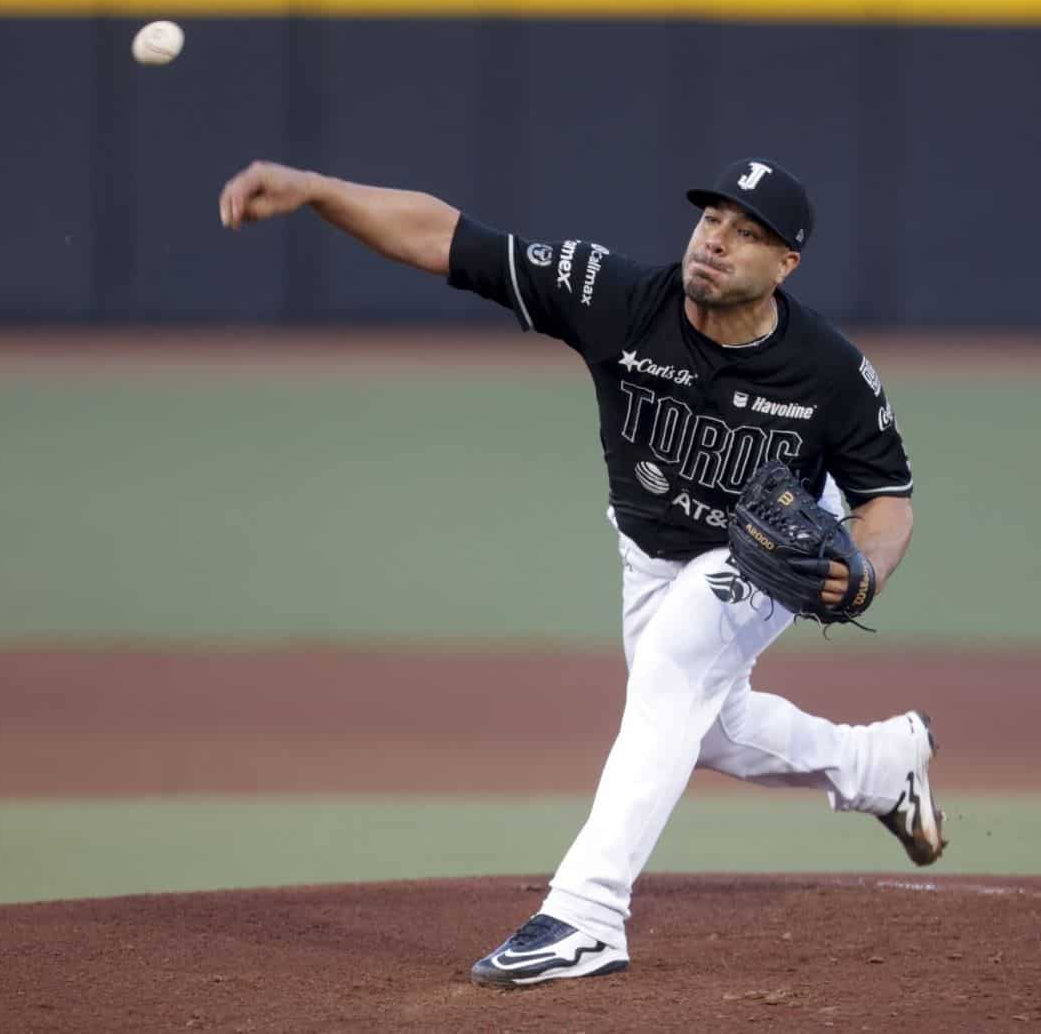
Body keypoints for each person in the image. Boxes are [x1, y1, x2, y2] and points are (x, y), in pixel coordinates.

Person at [218, 156, 945, 989]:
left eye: (750, 234)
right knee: (702, 724)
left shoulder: (829, 369)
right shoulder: (619, 297)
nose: (717, 241)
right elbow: (447, 238)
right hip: (647, 551)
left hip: (758, 559)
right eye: (713, 218)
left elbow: (887, 500)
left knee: (676, 665)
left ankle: (587, 913)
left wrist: (865, 572)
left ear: (786, 266)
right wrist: (317, 192)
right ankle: (878, 765)